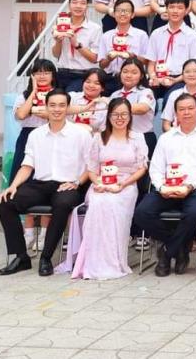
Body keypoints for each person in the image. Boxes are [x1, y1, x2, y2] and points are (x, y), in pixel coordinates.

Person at [0, 89, 91, 276]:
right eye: (52, 105)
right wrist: (13, 186)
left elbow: (91, 165)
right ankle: (21, 257)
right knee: (5, 202)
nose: (57, 109)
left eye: (62, 105)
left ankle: (46, 257)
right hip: (40, 185)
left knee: (62, 204)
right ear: (46, 107)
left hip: (68, 185)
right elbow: (27, 166)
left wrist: (77, 183)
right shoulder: (36, 135)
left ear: (68, 108)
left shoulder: (81, 134)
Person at [133, 93, 196, 277]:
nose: (186, 112)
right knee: (142, 213)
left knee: (195, 213)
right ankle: (179, 247)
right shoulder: (166, 138)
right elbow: (156, 168)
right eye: (182, 109)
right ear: (175, 113)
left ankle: (166, 253)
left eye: (190, 108)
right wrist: (162, 187)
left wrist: (190, 186)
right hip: (167, 188)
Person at [60, 97, 148, 280]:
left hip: (126, 185)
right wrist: (99, 183)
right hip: (100, 184)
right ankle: (92, 261)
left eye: (124, 114)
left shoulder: (137, 138)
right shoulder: (99, 138)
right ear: (108, 116)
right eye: (115, 114)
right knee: (100, 204)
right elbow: (91, 168)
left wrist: (123, 184)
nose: (120, 118)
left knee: (113, 205)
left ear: (130, 116)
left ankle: (114, 261)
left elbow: (142, 168)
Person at [143, 0, 196, 96]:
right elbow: (151, 63)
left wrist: (176, 80)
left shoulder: (192, 36)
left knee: (171, 98)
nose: (175, 11)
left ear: (186, 10)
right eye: (171, 7)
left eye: (180, 8)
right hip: (157, 77)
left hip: (180, 79)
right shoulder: (156, 33)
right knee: (146, 97)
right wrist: (153, 77)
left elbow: (194, 67)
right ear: (166, 9)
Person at [51, 0, 101, 92]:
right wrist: (58, 41)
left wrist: (77, 45)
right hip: (62, 73)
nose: (78, 6)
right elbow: (56, 54)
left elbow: (95, 58)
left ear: (87, 6)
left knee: (70, 97)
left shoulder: (95, 28)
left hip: (82, 75)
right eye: (74, 2)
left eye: (83, 3)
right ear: (69, 5)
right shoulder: (61, 25)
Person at [96, 0, 149, 93]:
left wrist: (133, 57)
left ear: (132, 14)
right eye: (119, 11)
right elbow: (101, 65)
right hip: (111, 79)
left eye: (126, 11)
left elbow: (147, 61)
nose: (123, 14)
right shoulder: (106, 36)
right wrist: (109, 59)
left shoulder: (141, 35)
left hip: (133, 80)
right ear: (114, 14)